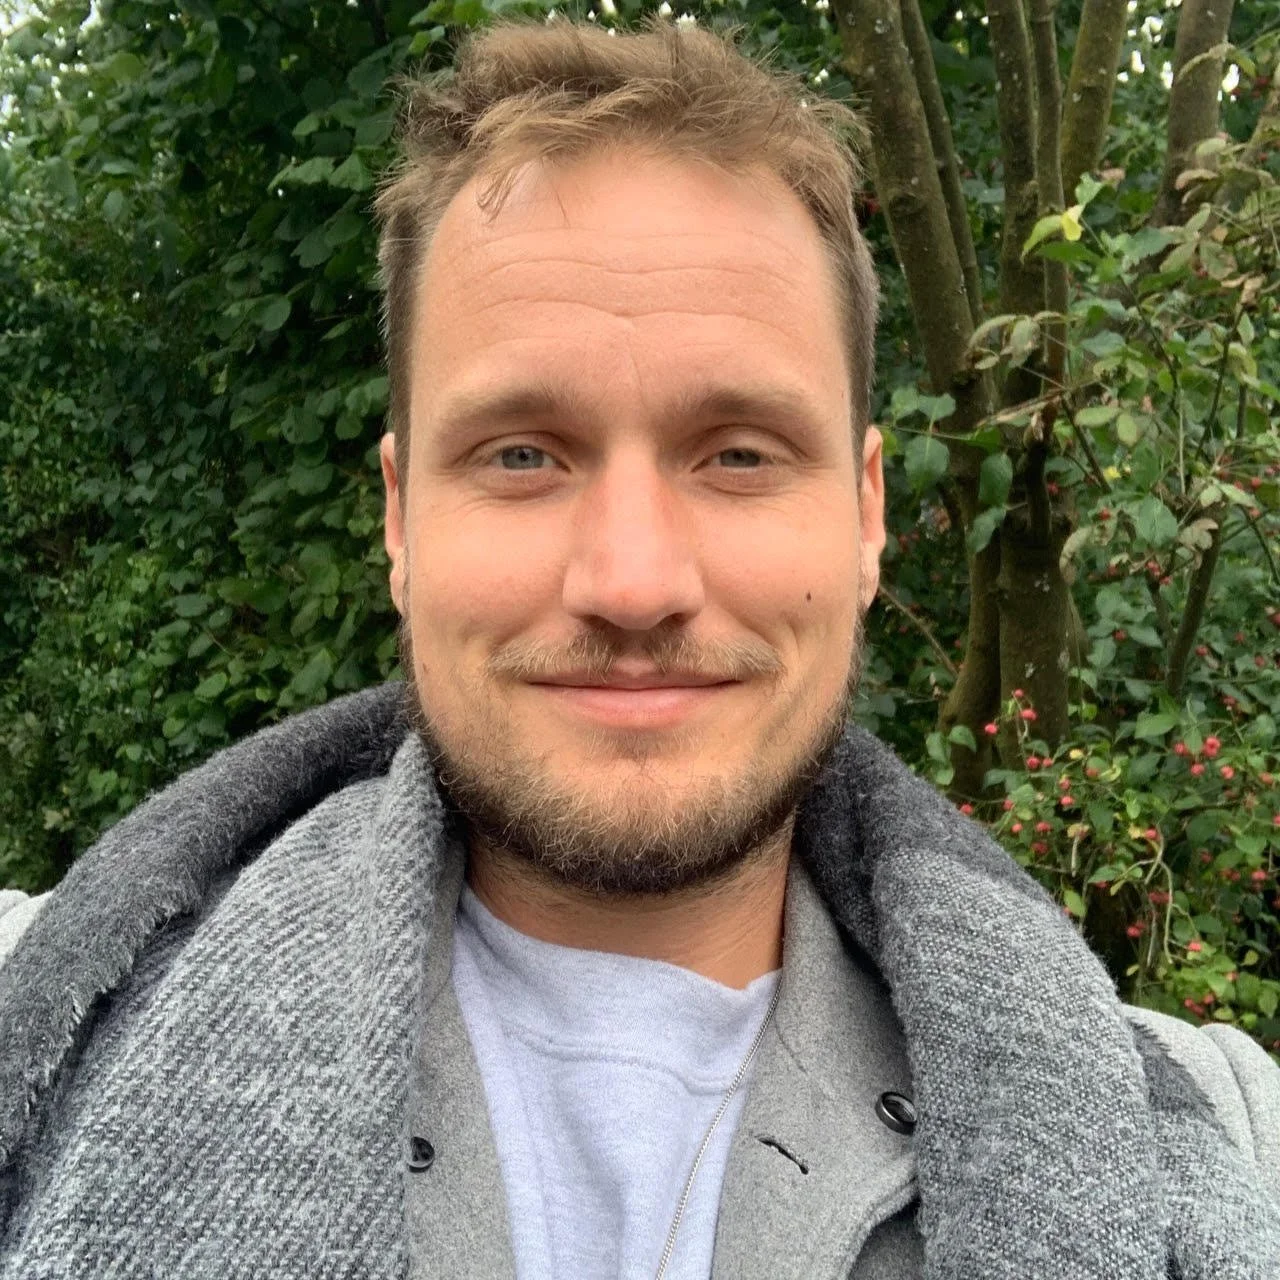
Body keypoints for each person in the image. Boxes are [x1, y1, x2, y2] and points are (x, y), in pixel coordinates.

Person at [0, 17, 1277, 1280]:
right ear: (398, 518)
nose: (632, 581)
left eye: (737, 453)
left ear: (866, 515)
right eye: (520, 453)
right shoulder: (40, 1014)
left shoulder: (1224, 1135)